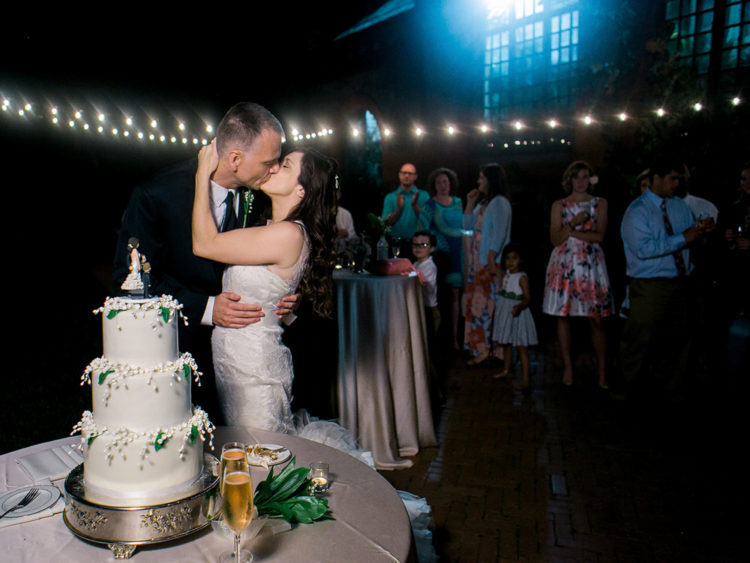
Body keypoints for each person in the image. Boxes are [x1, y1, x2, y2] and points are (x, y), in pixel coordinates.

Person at [112, 102, 297, 422]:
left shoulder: (263, 193)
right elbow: (131, 281)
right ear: (235, 159)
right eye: (270, 161)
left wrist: (285, 291)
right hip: (184, 354)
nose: (276, 169)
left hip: (247, 359)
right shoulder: (157, 196)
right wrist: (207, 308)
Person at [192, 141, 337, 433]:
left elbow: (205, 244)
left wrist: (201, 175)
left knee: (259, 460)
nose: (273, 167)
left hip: (255, 369)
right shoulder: (270, 226)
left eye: (285, 166)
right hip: (234, 363)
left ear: (301, 190)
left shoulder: (288, 234)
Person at [619, 155, 706, 401]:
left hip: (680, 282)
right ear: (655, 178)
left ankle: (671, 394)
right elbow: (644, 249)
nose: (676, 184)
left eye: (679, 179)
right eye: (672, 178)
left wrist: (700, 234)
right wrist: (684, 238)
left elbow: (691, 238)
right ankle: (626, 394)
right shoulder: (637, 211)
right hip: (649, 286)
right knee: (639, 340)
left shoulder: (679, 206)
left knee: (679, 341)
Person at [542, 161, 613, 389]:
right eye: (577, 177)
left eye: (585, 176)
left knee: (596, 319)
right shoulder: (559, 205)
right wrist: (573, 223)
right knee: (563, 316)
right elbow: (555, 239)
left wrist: (571, 232)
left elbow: (599, 236)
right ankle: (568, 367)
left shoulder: (599, 203)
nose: (581, 181)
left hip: (590, 264)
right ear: (570, 180)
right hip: (564, 263)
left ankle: (602, 371)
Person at [463, 163, 512, 365]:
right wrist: (470, 202)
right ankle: (482, 349)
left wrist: (491, 259)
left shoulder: (500, 203)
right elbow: (466, 227)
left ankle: (493, 350)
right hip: (479, 263)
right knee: (479, 306)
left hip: (490, 263)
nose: (478, 181)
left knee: (488, 306)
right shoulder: (484, 203)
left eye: (481, 178)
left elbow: (500, 234)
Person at [418, 167, 464, 349]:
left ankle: (456, 337)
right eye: (439, 182)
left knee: (457, 295)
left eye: (445, 181)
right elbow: (422, 229)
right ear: (434, 185)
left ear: (450, 183)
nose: (443, 185)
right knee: (441, 295)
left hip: (460, 252)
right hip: (440, 256)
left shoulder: (459, 203)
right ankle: (441, 338)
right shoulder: (429, 205)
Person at [492, 243, 537, 390]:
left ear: (521, 260)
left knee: (521, 346)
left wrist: (519, 306)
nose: (510, 262)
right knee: (506, 343)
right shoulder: (507, 275)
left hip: (517, 313)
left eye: (514, 258)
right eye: (507, 259)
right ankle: (506, 370)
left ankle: (525, 378)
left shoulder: (522, 277)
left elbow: (528, 297)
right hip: (506, 311)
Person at [381, 163, 430, 249]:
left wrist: (415, 205)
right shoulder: (390, 197)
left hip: (418, 244)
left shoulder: (423, 195)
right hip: (395, 243)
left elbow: (427, 221)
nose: (406, 176)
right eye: (404, 173)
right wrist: (399, 209)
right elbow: (386, 224)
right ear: (399, 175)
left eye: (410, 173)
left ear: (415, 176)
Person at [411, 231, 440, 336]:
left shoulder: (430, 266)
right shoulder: (415, 264)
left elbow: (422, 284)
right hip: (420, 306)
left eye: (423, 245)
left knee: (428, 338)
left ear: (431, 248)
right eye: (415, 245)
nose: (418, 248)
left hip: (429, 309)